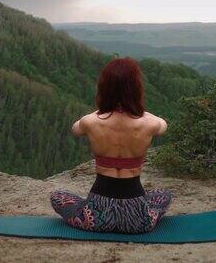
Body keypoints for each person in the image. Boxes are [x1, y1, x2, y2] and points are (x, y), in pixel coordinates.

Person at [50, 57, 173, 234]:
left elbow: (75, 129)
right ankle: (140, 214)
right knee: (165, 195)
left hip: (96, 215)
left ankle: (95, 216)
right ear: (136, 89)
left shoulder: (90, 121)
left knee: (57, 196)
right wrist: (137, 111)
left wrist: (102, 110)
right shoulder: (150, 123)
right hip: (137, 220)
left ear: (104, 88)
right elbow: (163, 126)